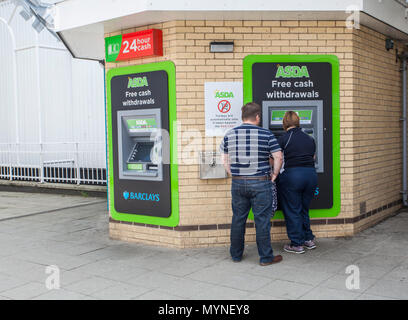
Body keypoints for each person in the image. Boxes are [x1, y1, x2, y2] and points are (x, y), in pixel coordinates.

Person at [220, 102, 283, 266]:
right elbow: (278, 156)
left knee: (238, 219)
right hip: (261, 183)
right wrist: (274, 174)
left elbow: (224, 159)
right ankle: (265, 258)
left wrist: (232, 173)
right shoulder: (266, 134)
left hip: (238, 183)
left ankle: (236, 255)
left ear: (243, 117)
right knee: (262, 221)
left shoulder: (230, 134)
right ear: (257, 117)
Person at [277, 111, 318, 254]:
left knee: (293, 210)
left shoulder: (284, 138)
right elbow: (313, 157)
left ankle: (296, 244)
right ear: (298, 122)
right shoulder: (309, 138)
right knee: (304, 209)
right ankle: (308, 239)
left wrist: (275, 173)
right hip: (311, 176)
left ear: (284, 123)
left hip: (293, 176)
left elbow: (278, 159)